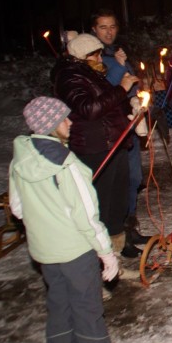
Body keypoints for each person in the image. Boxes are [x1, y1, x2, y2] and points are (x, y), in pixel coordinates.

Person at [9, 97, 123, 343]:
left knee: (59, 306)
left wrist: (45, 221)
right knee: (87, 305)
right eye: (64, 119)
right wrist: (106, 253)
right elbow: (86, 214)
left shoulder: (21, 157)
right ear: (50, 125)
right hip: (75, 250)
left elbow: (18, 208)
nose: (70, 123)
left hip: (45, 251)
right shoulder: (66, 163)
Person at [52, 33, 138, 255]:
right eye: (96, 56)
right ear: (81, 57)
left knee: (117, 202)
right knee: (102, 203)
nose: (101, 60)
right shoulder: (69, 77)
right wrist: (122, 88)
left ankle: (115, 255)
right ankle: (100, 257)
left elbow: (109, 105)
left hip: (113, 142)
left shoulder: (90, 73)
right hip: (95, 146)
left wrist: (131, 106)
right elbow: (89, 109)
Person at [91, 9, 148, 257]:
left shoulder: (116, 54)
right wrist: (120, 67)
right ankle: (117, 237)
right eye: (103, 27)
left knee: (134, 179)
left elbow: (131, 85)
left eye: (112, 26)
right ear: (94, 29)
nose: (108, 32)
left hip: (129, 128)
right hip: (110, 132)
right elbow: (105, 91)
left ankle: (130, 227)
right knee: (116, 184)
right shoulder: (91, 58)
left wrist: (140, 98)